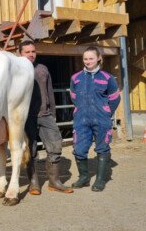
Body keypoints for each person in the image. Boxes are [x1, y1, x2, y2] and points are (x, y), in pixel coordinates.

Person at [18, 40, 73, 195]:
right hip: (26, 116)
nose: (31, 54)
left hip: (45, 114)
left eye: (33, 51)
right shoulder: (15, 71)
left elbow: (49, 92)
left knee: (56, 145)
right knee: (31, 149)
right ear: (20, 53)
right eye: (27, 51)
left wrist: (53, 113)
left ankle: (54, 182)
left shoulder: (42, 69)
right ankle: (34, 183)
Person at [70, 46, 120, 192]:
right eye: (85, 59)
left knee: (102, 148)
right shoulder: (76, 78)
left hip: (101, 120)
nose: (87, 61)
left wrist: (105, 113)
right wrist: (81, 110)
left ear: (99, 58)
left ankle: (100, 179)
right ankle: (84, 178)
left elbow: (115, 98)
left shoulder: (107, 78)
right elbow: (74, 97)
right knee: (78, 149)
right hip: (81, 120)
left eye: (91, 58)